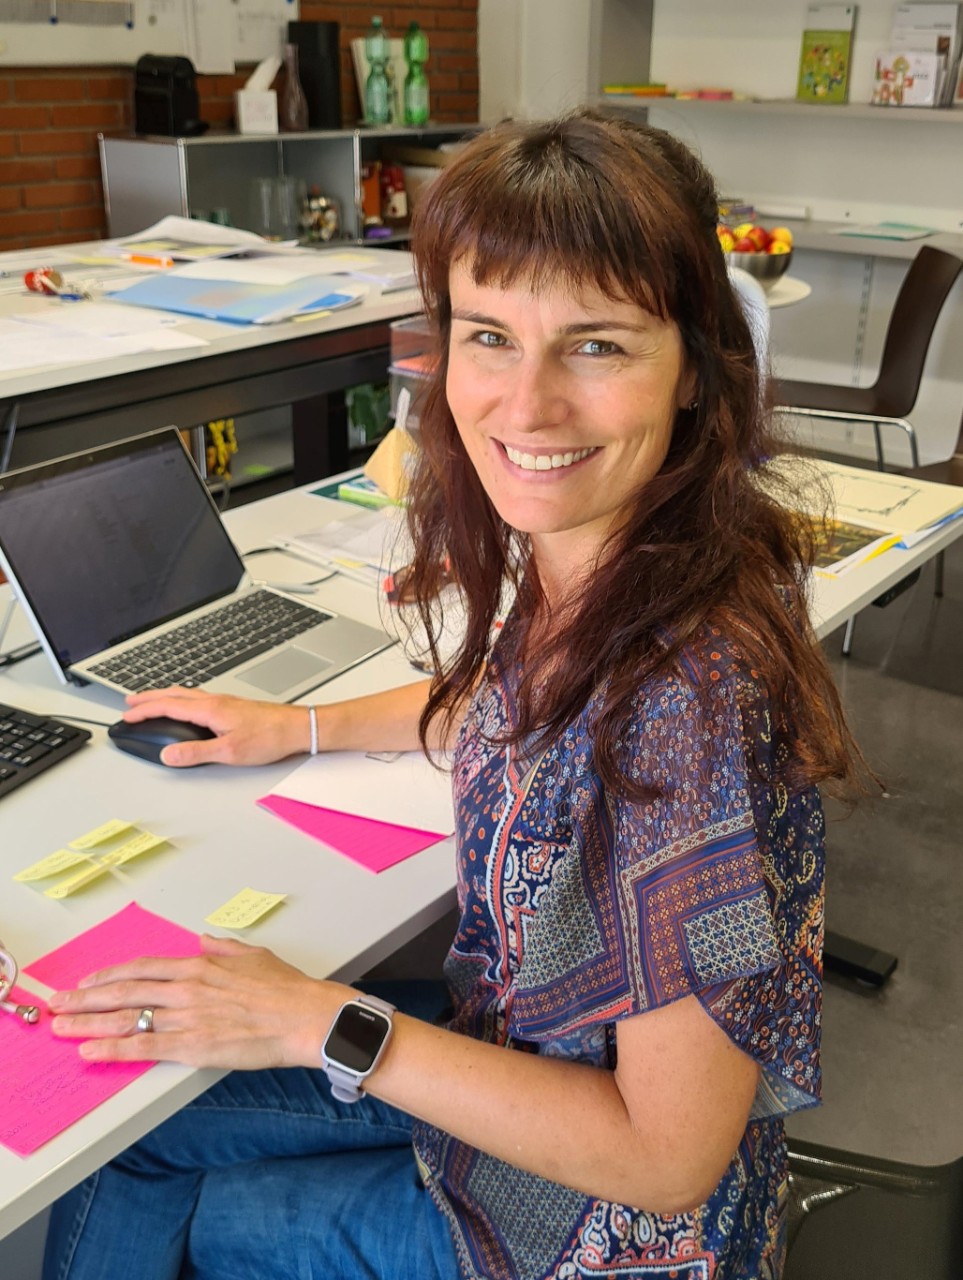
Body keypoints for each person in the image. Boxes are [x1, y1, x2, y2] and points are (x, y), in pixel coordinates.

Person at [44, 111, 864, 1280]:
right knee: (162, 1083)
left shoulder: (689, 709)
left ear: (696, 368)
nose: (523, 407)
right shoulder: (634, 557)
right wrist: (301, 724)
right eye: (490, 335)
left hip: (600, 1230)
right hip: (520, 1043)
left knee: (150, 1161)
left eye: (597, 345)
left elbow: (668, 1154)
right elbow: (517, 682)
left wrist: (311, 1018)